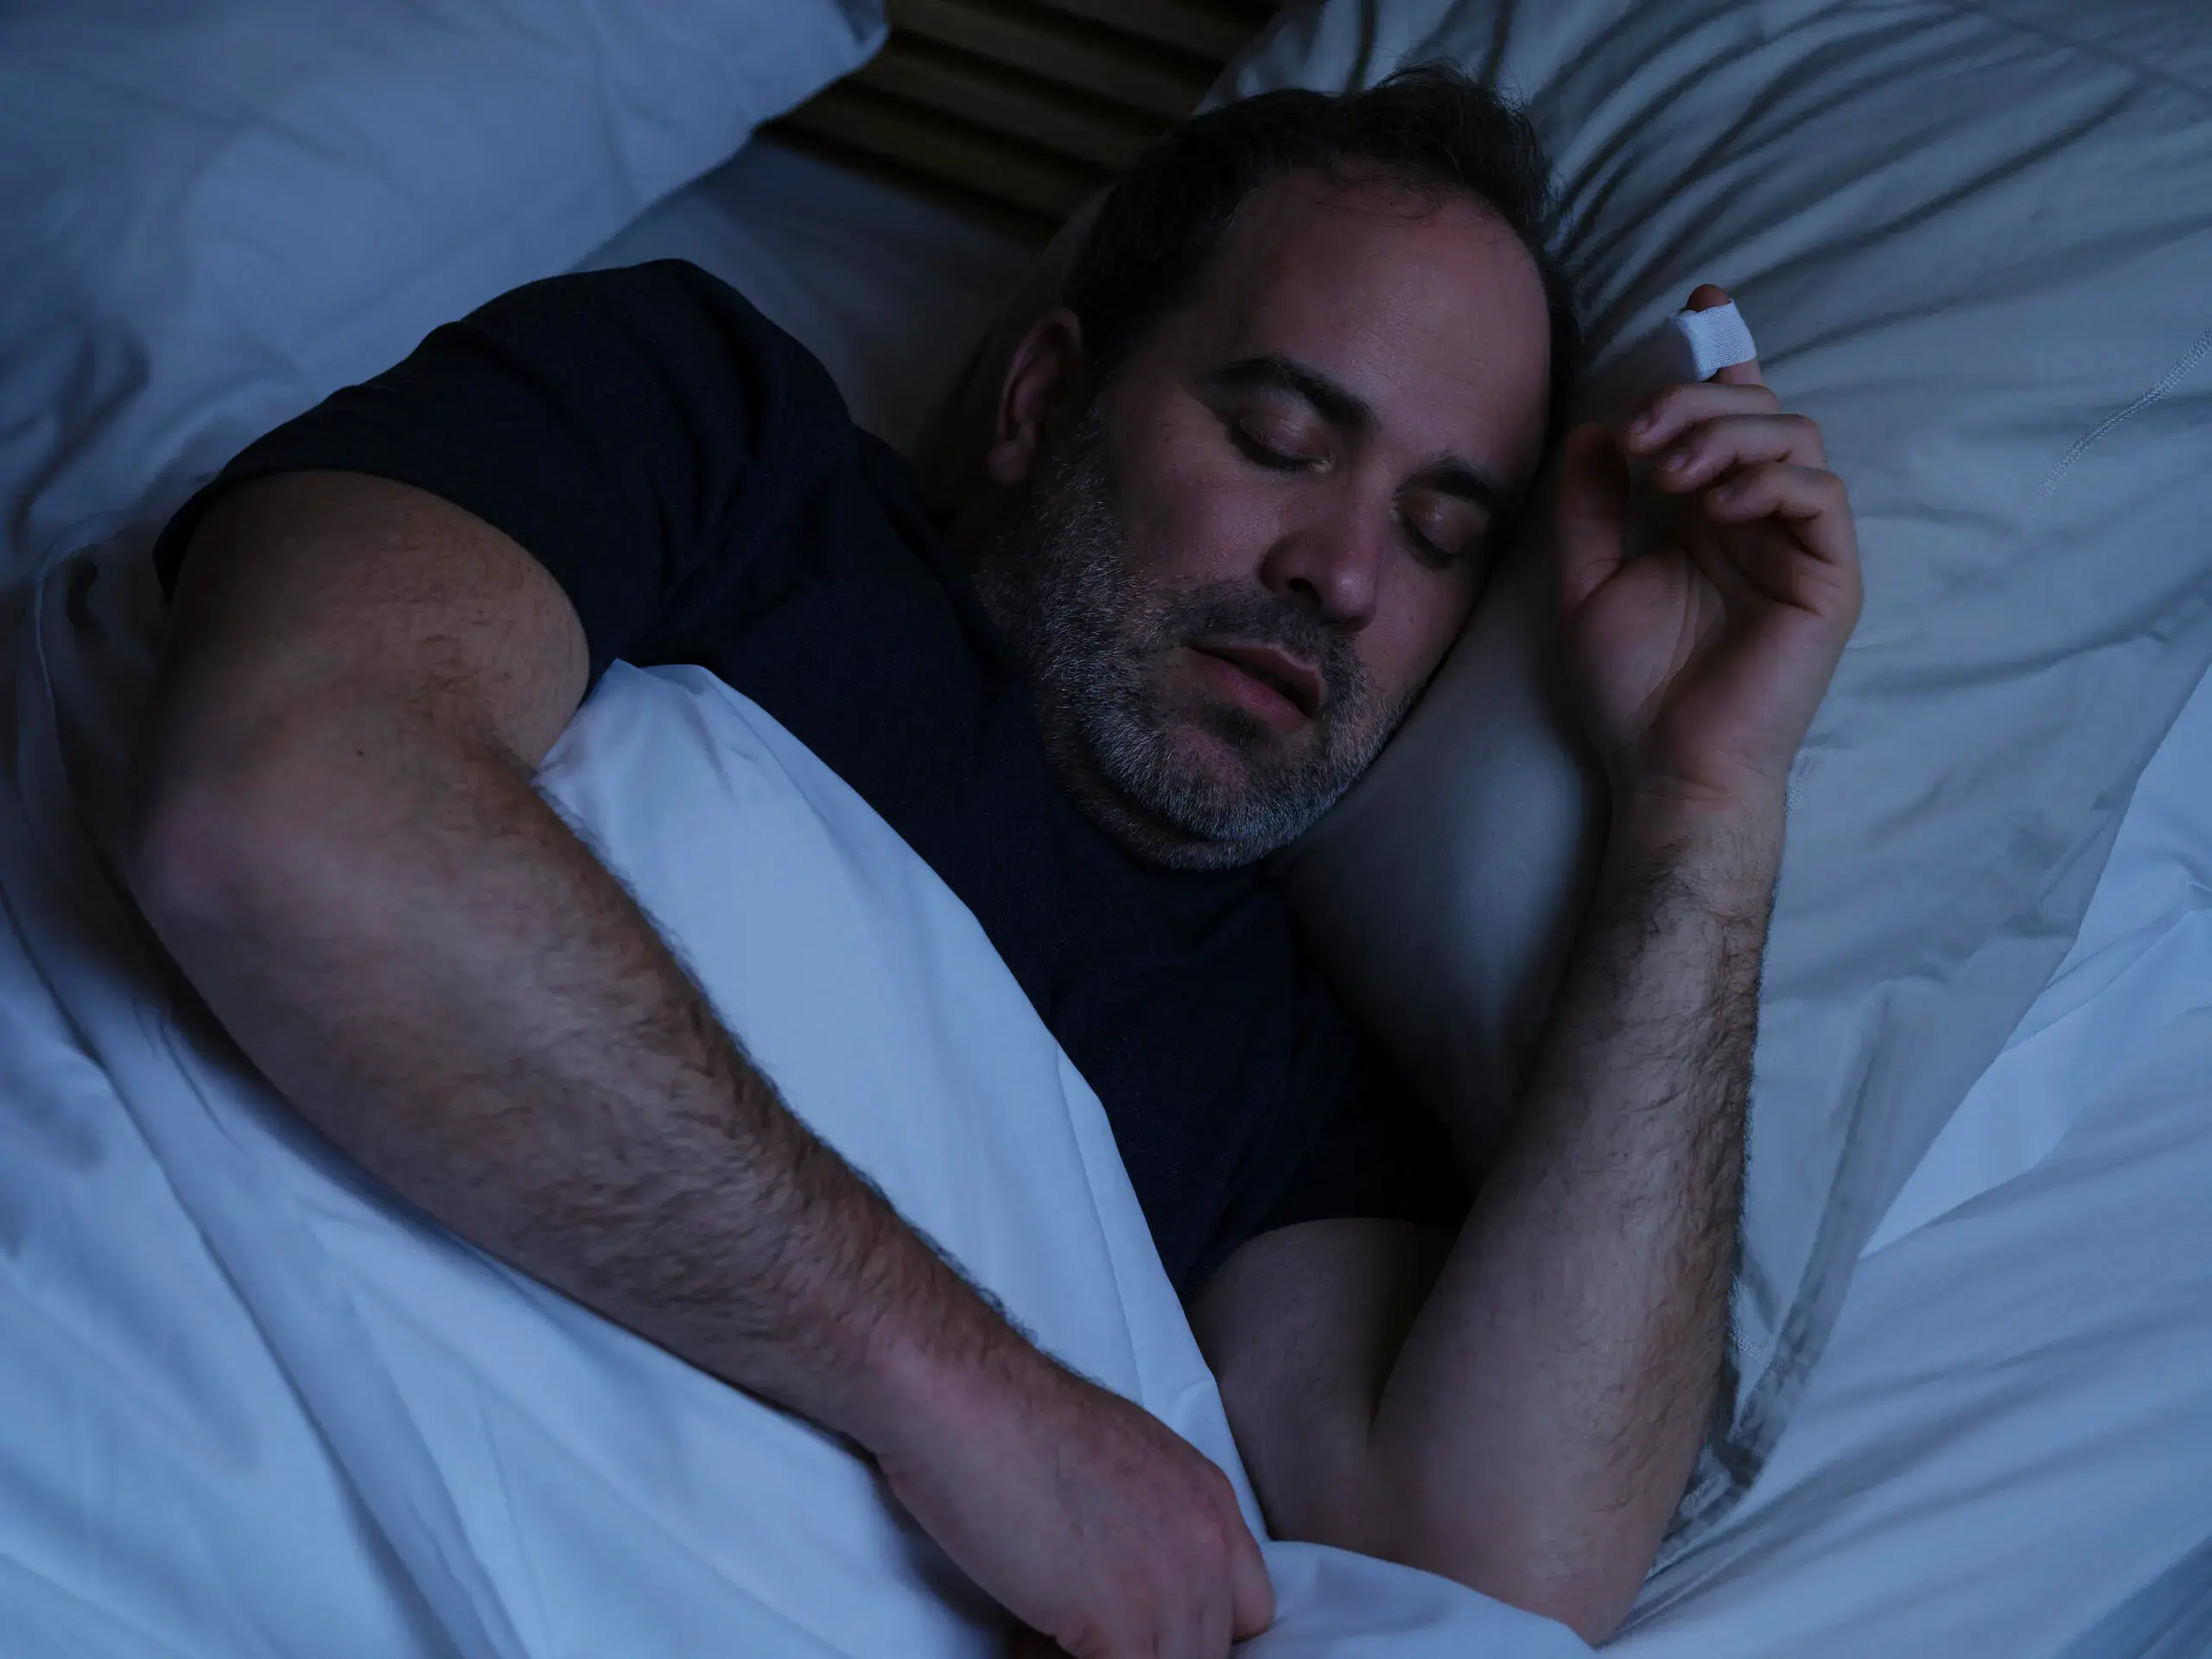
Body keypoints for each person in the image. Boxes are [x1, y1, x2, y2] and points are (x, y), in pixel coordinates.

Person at [124, 66, 1860, 1657]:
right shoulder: (708, 432)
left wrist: (1702, 804)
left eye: (1435, 534)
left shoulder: (1281, 1072)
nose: (1341, 575)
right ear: (1043, 398)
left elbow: (1492, 1582)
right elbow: (285, 808)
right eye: (1280, 440)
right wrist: (963, 1399)